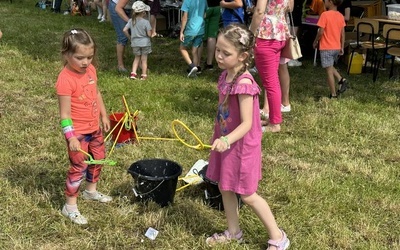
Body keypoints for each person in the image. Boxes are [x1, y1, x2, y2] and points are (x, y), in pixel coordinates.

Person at [205, 24, 290, 250]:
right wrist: (220, 135)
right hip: (227, 142)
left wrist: (226, 140)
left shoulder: (244, 84)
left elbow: (247, 124)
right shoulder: (226, 75)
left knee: (248, 194)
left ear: (242, 56)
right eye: (218, 51)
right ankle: (234, 232)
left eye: (226, 53)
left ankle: (278, 237)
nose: (219, 56)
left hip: (241, 147)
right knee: (225, 187)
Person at [56, 28, 112, 225]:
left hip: (94, 128)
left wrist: (104, 115)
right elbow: (64, 115)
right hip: (77, 133)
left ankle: (90, 191)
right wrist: (71, 137)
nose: (86, 62)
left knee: (98, 159)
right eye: (80, 58)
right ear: (66, 54)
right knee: (78, 167)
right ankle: (69, 206)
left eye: (89, 57)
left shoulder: (91, 70)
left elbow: (96, 93)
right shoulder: (65, 79)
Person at [249, 0, 294, 133]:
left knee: (270, 82)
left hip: (266, 35)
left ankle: (275, 123)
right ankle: (274, 118)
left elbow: (259, 11)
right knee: (273, 81)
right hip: (279, 34)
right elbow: (290, 8)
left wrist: (250, 33)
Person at [313, 0, 347, 98]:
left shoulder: (325, 15)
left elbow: (320, 32)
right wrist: (341, 46)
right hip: (336, 47)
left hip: (326, 46)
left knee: (328, 71)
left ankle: (333, 94)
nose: (324, 1)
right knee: (329, 66)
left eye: (326, 0)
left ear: (331, 2)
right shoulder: (340, 16)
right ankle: (341, 80)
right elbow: (343, 33)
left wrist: (315, 41)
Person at [123, 1, 152, 80]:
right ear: (143, 12)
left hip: (135, 42)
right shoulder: (146, 22)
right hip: (145, 43)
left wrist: (130, 37)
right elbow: (149, 34)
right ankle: (143, 75)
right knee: (144, 59)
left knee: (136, 58)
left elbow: (124, 30)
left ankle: (133, 73)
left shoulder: (131, 21)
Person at [179, 0, 207, 77]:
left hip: (190, 29)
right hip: (200, 29)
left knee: (182, 48)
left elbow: (184, 17)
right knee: (195, 51)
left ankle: (192, 66)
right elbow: (205, 14)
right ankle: (195, 70)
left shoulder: (187, 1)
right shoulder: (204, 1)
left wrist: (181, 31)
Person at [110, 0, 134, 73]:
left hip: (128, 7)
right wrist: (130, 22)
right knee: (122, 36)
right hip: (117, 7)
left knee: (135, 35)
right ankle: (120, 66)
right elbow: (118, 8)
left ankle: (139, 63)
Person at [203, 0, 221, 70]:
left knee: (200, 35)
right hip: (217, 7)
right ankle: (209, 63)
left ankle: (196, 62)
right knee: (212, 36)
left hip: (206, 7)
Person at [287, 0, 304, 67]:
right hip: (294, 13)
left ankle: (290, 57)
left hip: (292, 13)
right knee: (293, 36)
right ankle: (291, 58)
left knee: (292, 36)